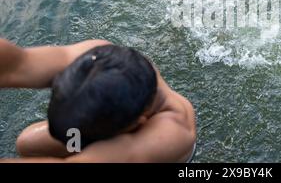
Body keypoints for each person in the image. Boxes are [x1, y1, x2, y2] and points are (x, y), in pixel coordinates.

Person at [0, 39, 196, 163]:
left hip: (138, 156)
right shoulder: (99, 58)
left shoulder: (172, 134)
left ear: (138, 122)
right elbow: (18, 64)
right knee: (28, 143)